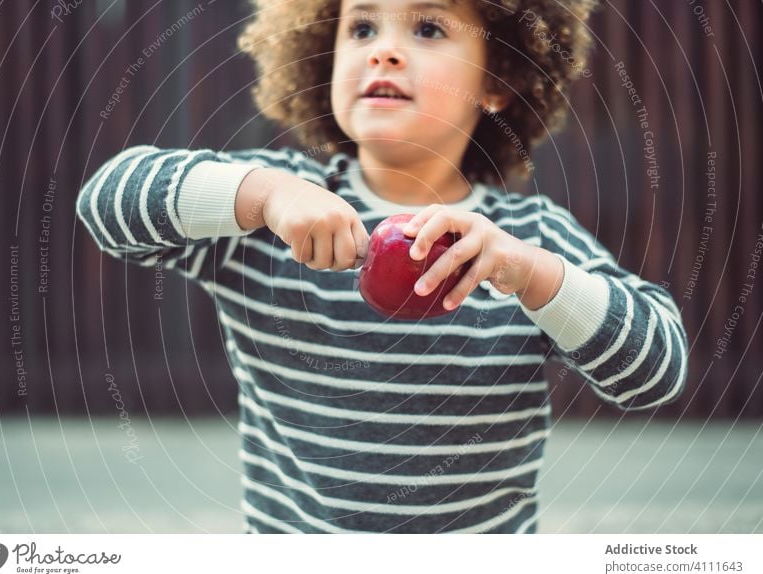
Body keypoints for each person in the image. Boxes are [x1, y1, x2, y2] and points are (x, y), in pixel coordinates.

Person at [76, 0, 688, 533]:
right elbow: (104, 205)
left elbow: (656, 374)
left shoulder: (528, 242)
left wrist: (535, 276)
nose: (386, 52)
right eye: (362, 28)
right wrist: (263, 195)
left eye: (427, 28)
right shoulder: (267, 217)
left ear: (498, 79)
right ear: (322, 56)